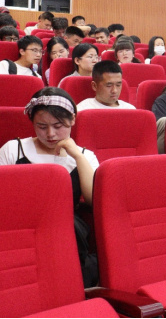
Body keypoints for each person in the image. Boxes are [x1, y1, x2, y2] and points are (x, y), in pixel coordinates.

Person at [0, 87, 100, 287]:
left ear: (72, 119)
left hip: (65, 230)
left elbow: (93, 200)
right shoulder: (14, 149)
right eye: (41, 126)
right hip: (18, 228)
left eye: (58, 125)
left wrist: (77, 156)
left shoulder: (85, 156)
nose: (50, 134)